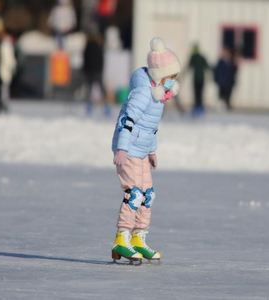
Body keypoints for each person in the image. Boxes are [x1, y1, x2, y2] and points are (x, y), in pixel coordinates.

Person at [110, 37, 181, 263]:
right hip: (129, 149)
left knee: (148, 194)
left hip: (142, 149)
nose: (173, 82)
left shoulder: (158, 96)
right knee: (135, 194)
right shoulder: (143, 93)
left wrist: (151, 151)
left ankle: (139, 237)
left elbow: (150, 128)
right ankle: (122, 238)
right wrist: (121, 148)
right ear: (160, 75)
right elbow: (128, 120)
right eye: (171, 77)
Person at [82, 32, 110, 116]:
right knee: (101, 89)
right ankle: (106, 107)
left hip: (89, 71)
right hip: (97, 71)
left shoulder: (87, 47)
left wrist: (85, 70)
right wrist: (100, 69)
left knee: (89, 89)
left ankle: (89, 106)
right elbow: (101, 60)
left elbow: (85, 60)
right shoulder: (99, 47)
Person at [188, 43, 209, 117]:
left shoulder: (193, 57)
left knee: (196, 94)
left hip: (196, 79)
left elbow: (188, 67)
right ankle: (200, 108)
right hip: (202, 79)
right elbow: (207, 67)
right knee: (200, 94)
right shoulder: (202, 57)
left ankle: (197, 108)